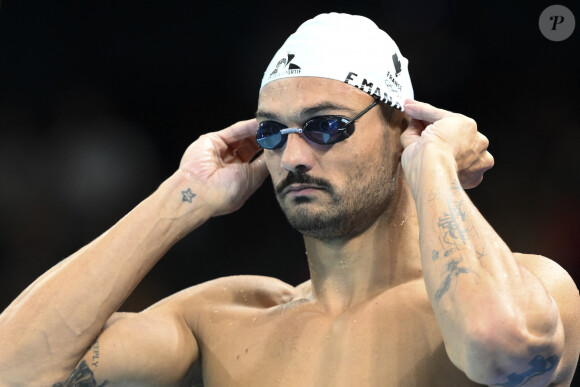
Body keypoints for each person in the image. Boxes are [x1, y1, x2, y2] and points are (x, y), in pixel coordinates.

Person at [0, 13, 578, 387]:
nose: (295, 156)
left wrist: (432, 165)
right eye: (273, 134)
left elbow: (500, 350)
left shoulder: (534, 288)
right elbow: (15, 370)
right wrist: (179, 198)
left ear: (403, 127)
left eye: (326, 126)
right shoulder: (223, 320)